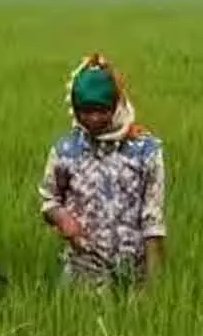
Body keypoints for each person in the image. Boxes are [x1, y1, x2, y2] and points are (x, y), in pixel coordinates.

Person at [39, 54, 167, 289]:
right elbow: (49, 199)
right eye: (85, 111)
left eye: (102, 110)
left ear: (116, 104)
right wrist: (63, 218)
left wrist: (153, 284)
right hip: (83, 269)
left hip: (134, 270)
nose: (94, 119)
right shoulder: (66, 150)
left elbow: (153, 217)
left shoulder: (145, 150)